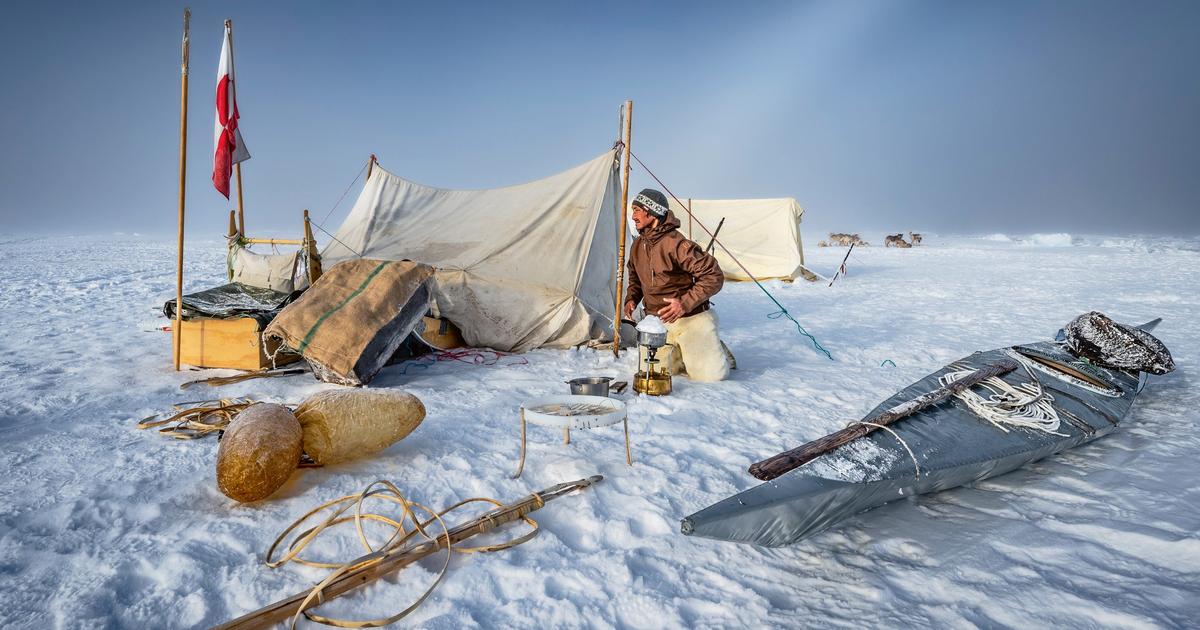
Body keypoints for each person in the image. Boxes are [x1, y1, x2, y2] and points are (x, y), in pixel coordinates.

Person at [624, 188, 731, 382]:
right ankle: (683, 351)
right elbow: (635, 277)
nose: (633, 216)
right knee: (656, 375)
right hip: (657, 323)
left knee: (711, 376)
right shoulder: (637, 245)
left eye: (637, 210)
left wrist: (684, 303)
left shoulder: (677, 244)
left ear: (651, 211)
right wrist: (632, 298)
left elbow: (713, 276)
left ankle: (715, 346)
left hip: (691, 318)